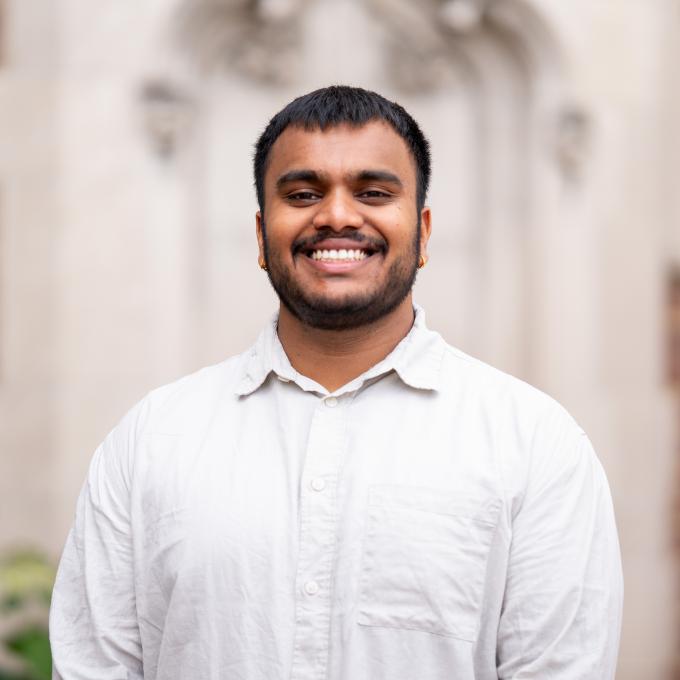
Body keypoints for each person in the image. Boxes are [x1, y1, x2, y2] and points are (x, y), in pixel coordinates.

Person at [49, 85, 623, 679]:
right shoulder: (152, 440)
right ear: (261, 234)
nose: (338, 216)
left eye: (374, 192)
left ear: (423, 232)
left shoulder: (534, 444)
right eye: (302, 194)